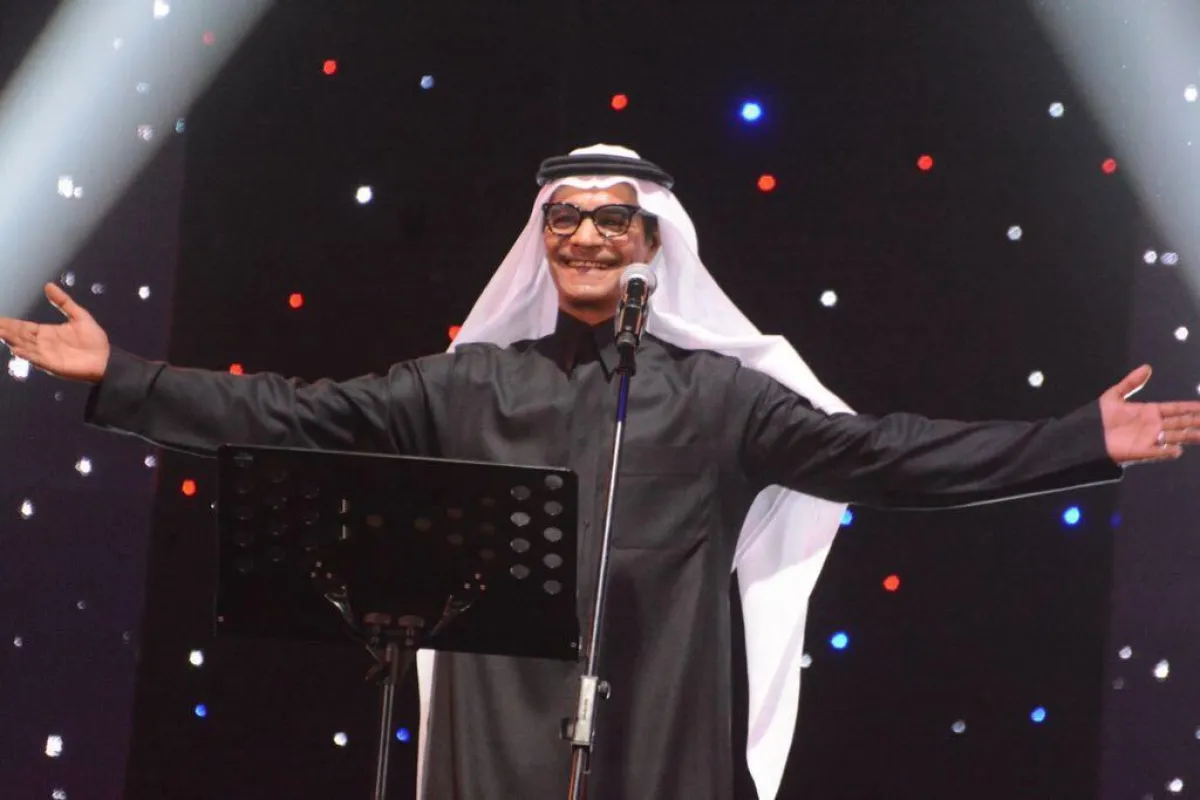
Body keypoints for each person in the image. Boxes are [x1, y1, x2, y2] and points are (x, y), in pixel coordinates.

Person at [2, 144, 1198, 800]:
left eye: (610, 219)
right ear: (542, 239)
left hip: (664, 715)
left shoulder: (721, 396)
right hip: (494, 727)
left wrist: (1077, 440)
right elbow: (289, 415)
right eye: (564, 218)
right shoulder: (467, 384)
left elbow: (890, 456)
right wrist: (124, 376)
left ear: (652, 245)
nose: (584, 234)